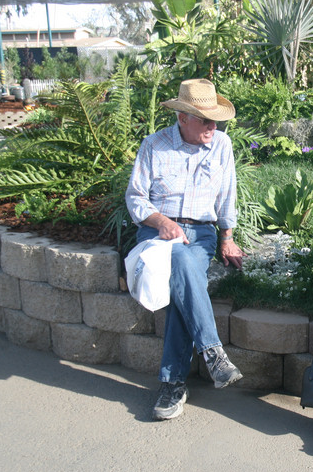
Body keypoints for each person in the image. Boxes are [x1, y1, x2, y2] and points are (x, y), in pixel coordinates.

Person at [125, 79, 246, 421]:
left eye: (215, 120)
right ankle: (212, 354)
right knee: (180, 261)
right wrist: (162, 222)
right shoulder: (154, 145)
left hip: (201, 234)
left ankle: (172, 384)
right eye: (205, 119)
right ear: (182, 118)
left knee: (184, 275)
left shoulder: (221, 144)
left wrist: (227, 237)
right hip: (156, 235)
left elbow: (227, 195)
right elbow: (136, 198)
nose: (213, 126)